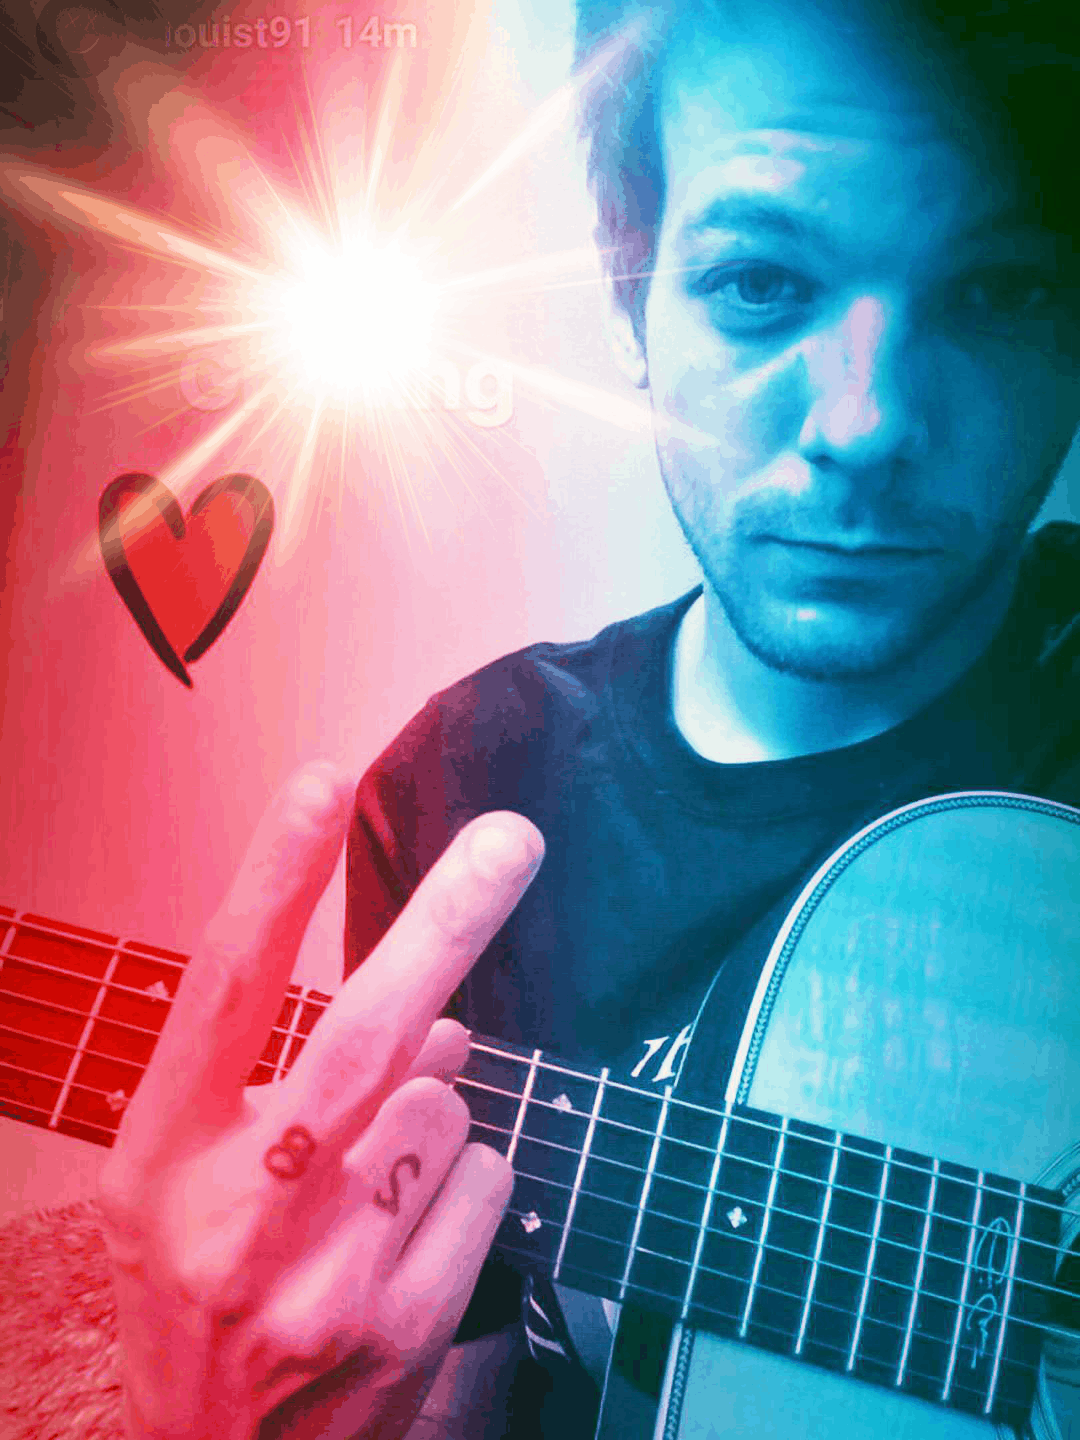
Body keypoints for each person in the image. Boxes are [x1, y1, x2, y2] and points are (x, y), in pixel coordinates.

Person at [6, 0, 1080, 1435]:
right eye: (760, 281)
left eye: (1003, 291)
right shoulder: (469, 778)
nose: (867, 422)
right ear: (632, 296)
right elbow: (467, 1365)